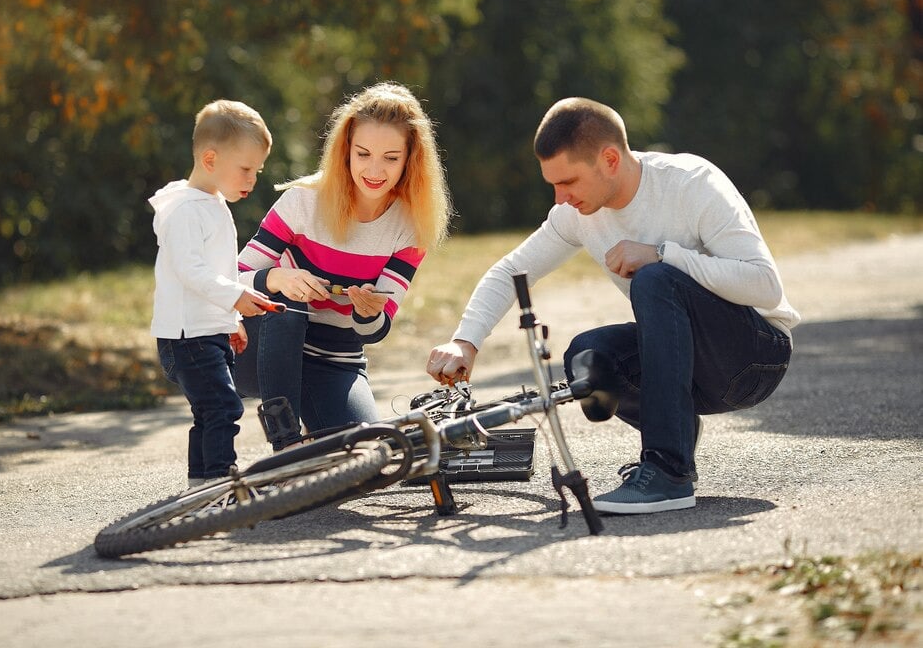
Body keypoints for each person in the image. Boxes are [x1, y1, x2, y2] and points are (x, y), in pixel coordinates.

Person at [426, 97, 800, 515]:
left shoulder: (692, 183)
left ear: (609, 159)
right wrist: (466, 342)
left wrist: (662, 253)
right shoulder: (577, 212)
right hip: (696, 371)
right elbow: (511, 271)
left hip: (755, 359)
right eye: (552, 184)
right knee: (588, 356)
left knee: (656, 278)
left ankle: (668, 474)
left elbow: (765, 286)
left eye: (568, 182)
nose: (560, 197)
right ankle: (673, 432)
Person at [236, 82, 451, 450]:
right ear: (346, 151)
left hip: (336, 359)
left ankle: (316, 436)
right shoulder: (303, 201)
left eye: (391, 157)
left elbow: (376, 330)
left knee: (370, 454)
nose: (374, 169)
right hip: (261, 350)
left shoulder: (412, 227)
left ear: (410, 159)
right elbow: (227, 281)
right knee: (288, 305)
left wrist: (368, 313)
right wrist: (275, 277)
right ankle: (286, 445)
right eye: (363, 153)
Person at [150, 99, 278, 489]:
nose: (252, 179)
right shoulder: (186, 210)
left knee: (209, 411)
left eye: (257, 171)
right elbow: (192, 271)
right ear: (210, 159)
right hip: (187, 337)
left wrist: (231, 320)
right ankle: (220, 483)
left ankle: (200, 487)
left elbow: (216, 271)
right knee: (223, 407)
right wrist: (236, 297)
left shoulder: (212, 203)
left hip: (207, 330)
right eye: (245, 169)